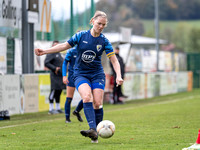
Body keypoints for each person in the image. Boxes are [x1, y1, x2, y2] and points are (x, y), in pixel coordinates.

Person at [35, 10, 123, 143]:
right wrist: (45, 51)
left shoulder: (104, 41)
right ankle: (93, 129)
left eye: (103, 25)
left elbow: (114, 60)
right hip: (80, 74)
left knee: (98, 103)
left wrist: (118, 76)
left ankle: (95, 134)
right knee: (87, 97)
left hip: (97, 74)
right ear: (92, 21)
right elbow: (64, 46)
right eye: (99, 23)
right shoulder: (80, 36)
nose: (101, 26)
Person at [62, 46, 83, 123]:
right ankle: (67, 118)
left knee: (87, 97)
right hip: (71, 77)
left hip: (82, 77)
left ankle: (77, 111)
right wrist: (64, 76)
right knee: (69, 98)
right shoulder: (71, 51)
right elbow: (65, 63)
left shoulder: (85, 50)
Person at [44, 40, 66, 114]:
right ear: (52, 46)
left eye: (58, 45)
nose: (56, 46)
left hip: (60, 76)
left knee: (59, 91)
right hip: (54, 76)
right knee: (53, 91)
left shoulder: (59, 53)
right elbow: (46, 63)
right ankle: (51, 109)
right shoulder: (51, 53)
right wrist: (54, 68)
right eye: (55, 45)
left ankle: (58, 108)